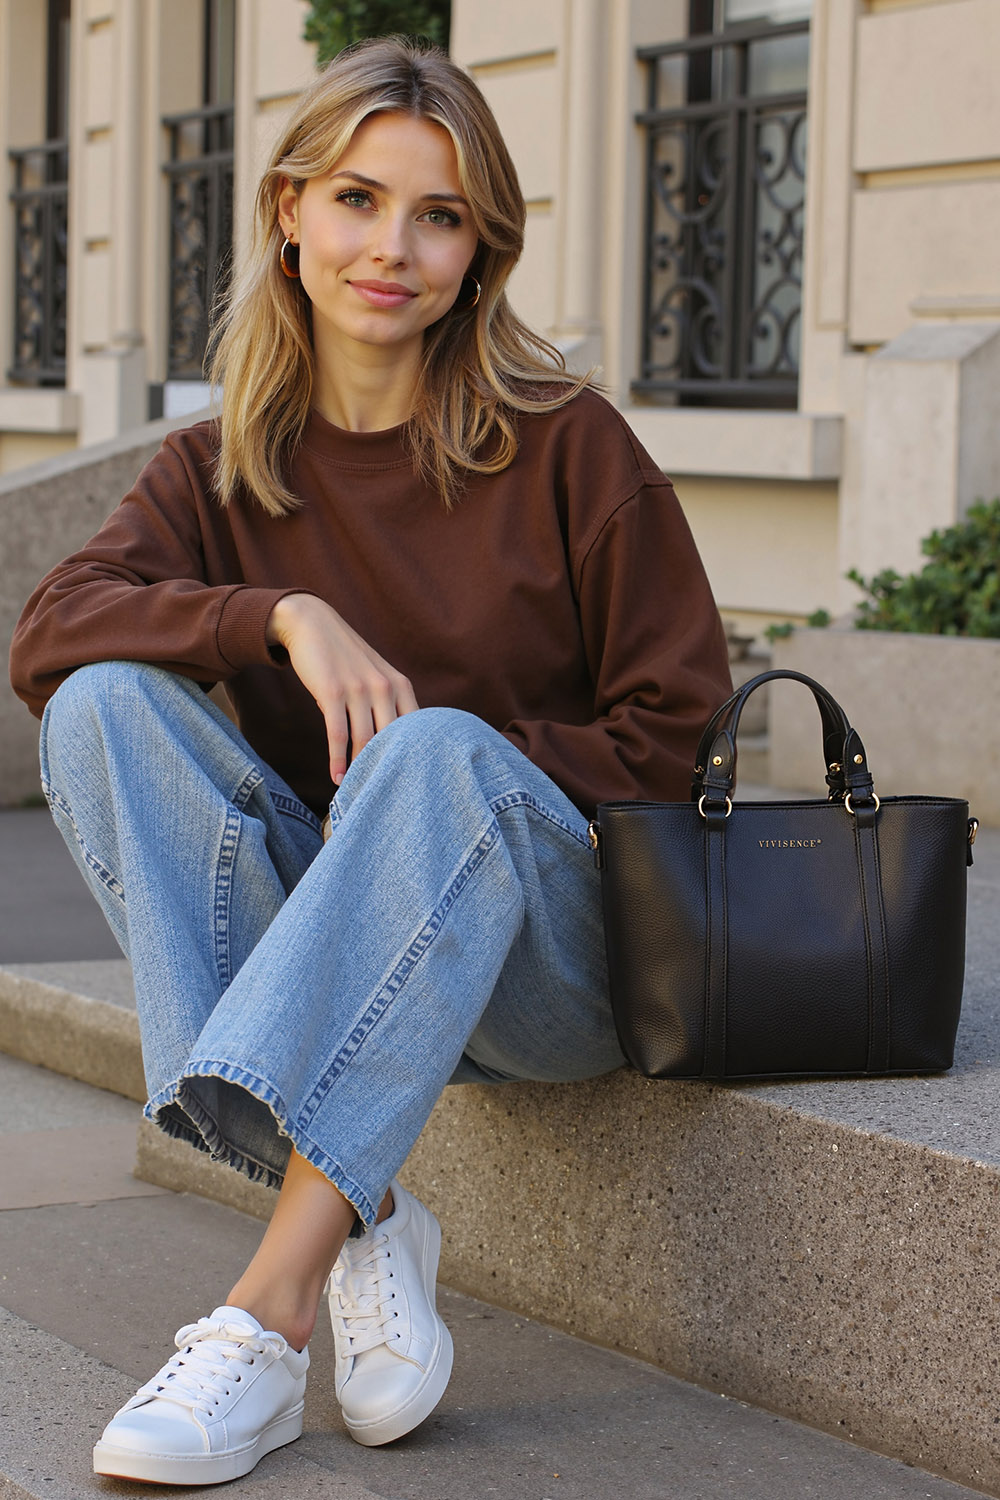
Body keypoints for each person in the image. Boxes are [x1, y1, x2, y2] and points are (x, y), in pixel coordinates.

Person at [9, 35, 731, 1489]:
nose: (391, 247)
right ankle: (368, 1210)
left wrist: (426, 799)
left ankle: (264, 1317)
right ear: (287, 211)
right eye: (356, 199)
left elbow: (677, 731)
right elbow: (49, 635)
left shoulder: (569, 448)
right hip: (350, 956)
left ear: (481, 251)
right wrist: (279, 612)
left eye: (440, 215)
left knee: (433, 762)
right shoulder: (218, 471)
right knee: (99, 709)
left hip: (558, 961)